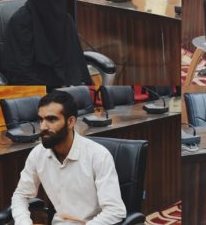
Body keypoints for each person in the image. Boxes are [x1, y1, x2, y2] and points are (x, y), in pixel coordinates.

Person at [11, 90, 126, 224]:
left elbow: (115, 211)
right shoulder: (38, 154)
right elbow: (20, 195)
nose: (43, 126)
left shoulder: (98, 156)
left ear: (71, 121)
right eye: (41, 119)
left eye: (51, 119)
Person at [3, 0, 91, 86]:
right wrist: (56, 87)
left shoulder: (66, 20)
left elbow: (75, 62)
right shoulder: (20, 22)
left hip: (66, 86)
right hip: (35, 88)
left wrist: (74, 86)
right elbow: (19, 72)